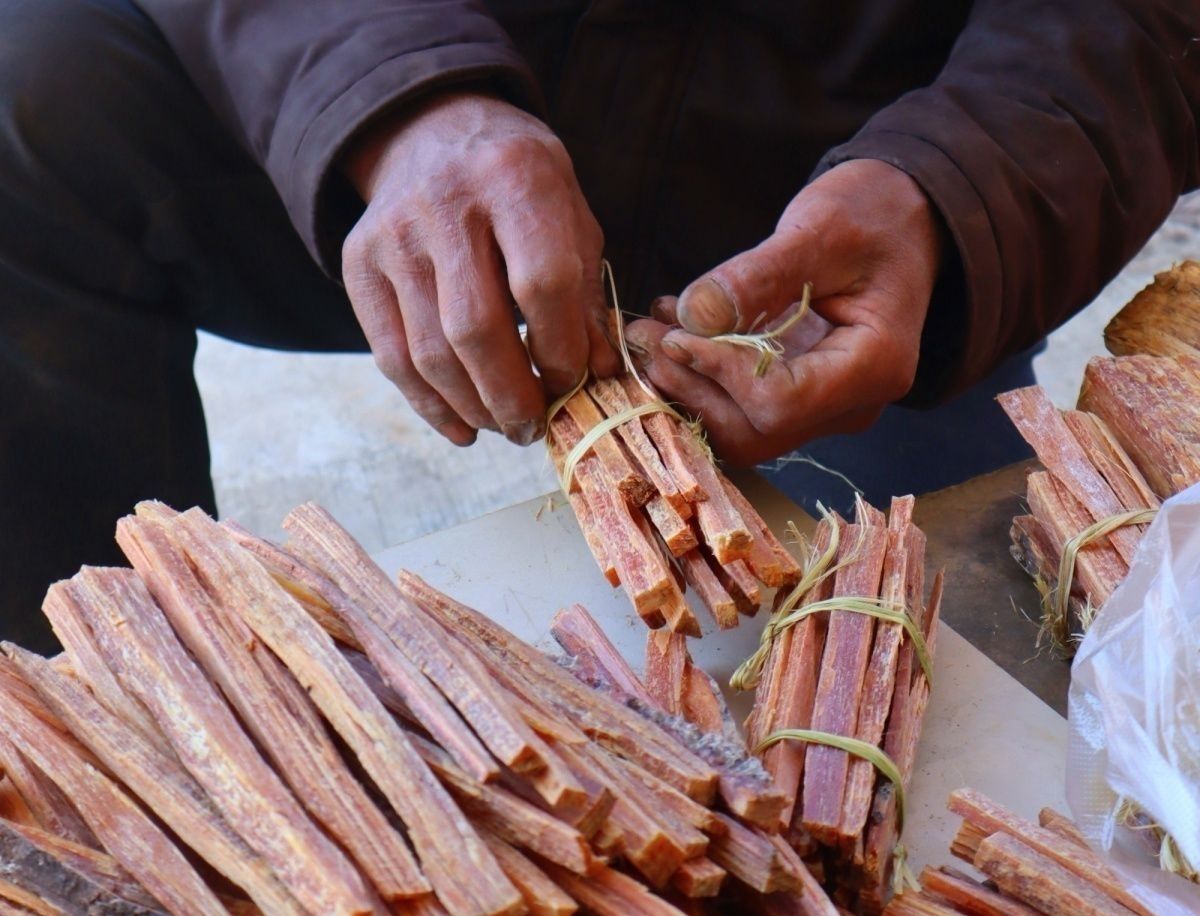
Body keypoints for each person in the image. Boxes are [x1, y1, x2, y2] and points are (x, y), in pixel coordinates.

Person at [1, 1, 1197, 649]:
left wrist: (957, 188)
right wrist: (398, 93)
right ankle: (94, 730)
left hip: (843, 185)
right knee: (29, 92)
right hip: (412, 91)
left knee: (956, 642)